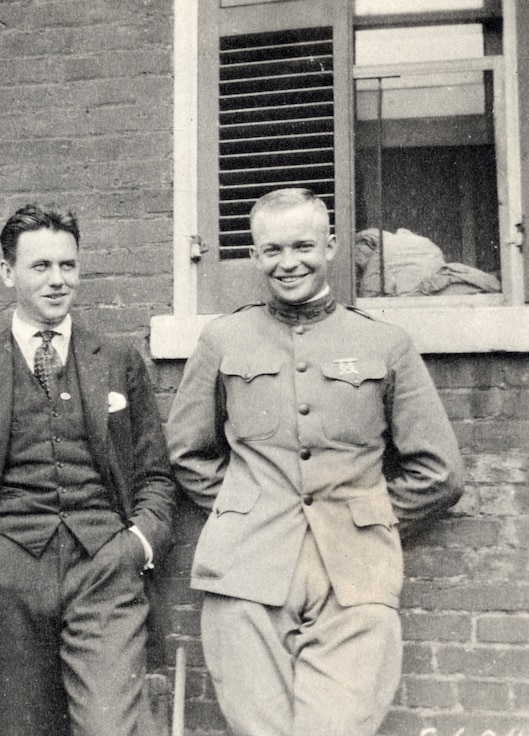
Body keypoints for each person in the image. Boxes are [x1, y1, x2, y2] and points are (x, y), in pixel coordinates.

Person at [166, 188, 464, 736]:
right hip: (247, 570)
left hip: (355, 572)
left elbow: (439, 473)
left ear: (330, 246)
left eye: (303, 246)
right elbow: (186, 452)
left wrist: (367, 514)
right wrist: (244, 506)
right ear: (255, 256)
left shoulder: (384, 342)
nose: (288, 263)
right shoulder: (223, 338)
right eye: (272, 250)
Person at [0, 204, 176, 736]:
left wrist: (137, 544)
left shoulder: (116, 358)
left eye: (68, 265)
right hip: (5, 571)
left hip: (104, 569)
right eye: (41, 266)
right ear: (7, 273)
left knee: (111, 726)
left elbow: (156, 473)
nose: (58, 280)